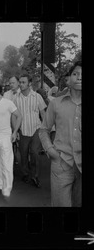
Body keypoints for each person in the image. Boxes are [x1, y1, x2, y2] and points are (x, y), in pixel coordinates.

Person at [39, 61, 82, 207]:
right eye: (75, 74)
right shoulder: (56, 103)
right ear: (69, 79)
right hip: (62, 163)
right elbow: (44, 129)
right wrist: (50, 150)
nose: (79, 78)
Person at [13, 73, 47, 188]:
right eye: (20, 82)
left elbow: (43, 113)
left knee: (35, 153)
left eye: (23, 82)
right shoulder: (15, 98)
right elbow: (14, 116)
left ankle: (35, 176)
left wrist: (44, 129)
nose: (21, 84)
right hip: (22, 131)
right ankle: (26, 173)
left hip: (36, 129)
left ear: (29, 84)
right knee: (23, 154)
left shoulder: (37, 97)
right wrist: (15, 131)